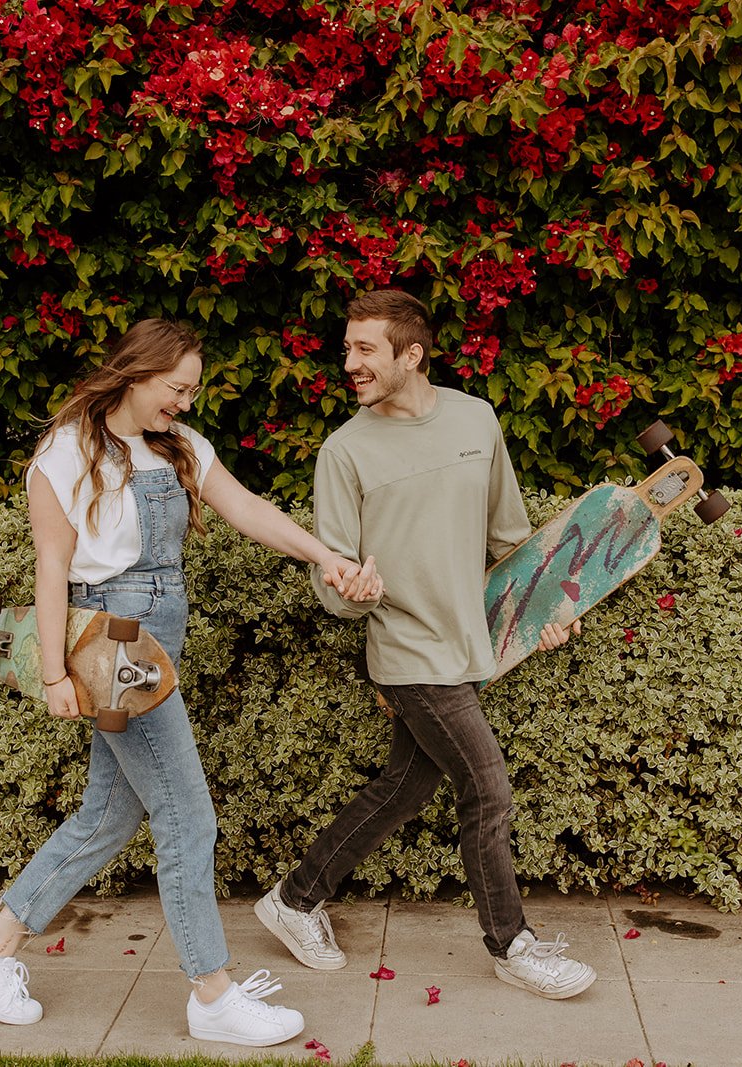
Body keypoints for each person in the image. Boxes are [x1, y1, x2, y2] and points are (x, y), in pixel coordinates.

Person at [0, 318, 381, 1046]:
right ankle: (212, 994)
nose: (184, 403)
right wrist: (53, 670)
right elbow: (51, 566)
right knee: (188, 816)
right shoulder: (63, 454)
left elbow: (246, 509)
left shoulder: (178, 447)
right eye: (176, 389)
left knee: (108, 816)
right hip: (113, 642)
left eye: (191, 391)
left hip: (158, 635)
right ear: (135, 373)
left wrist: (325, 557)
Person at [253, 289, 596, 1000]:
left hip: (470, 646)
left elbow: (509, 536)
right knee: (487, 789)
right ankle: (513, 944)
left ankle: (295, 897)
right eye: (347, 347)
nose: (349, 362)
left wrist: (549, 605)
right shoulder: (344, 451)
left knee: (405, 788)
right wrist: (351, 590)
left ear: (413, 353)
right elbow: (332, 571)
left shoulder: (476, 419)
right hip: (408, 650)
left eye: (365, 348)